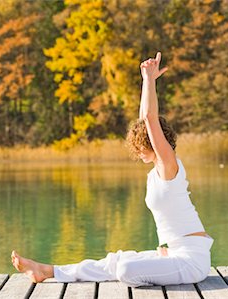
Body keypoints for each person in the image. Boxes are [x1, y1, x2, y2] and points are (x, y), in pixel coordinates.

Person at [11, 52, 214, 287]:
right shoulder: (157, 172)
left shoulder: (169, 165)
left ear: (155, 142)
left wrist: (149, 80)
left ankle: (155, 265)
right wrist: (145, 83)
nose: (137, 149)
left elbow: (149, 119)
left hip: (191, 260)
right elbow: (143, 121)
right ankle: (47, 271)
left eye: (141, 144)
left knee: (126, 269)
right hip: (174, 254)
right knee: (115, 261)